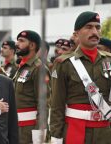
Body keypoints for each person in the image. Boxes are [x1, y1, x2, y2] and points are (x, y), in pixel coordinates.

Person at [50, 11, 111, 144]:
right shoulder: (63, 63)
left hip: (105, 133)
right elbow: (57, 105)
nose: (94, 31)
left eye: (97, 27)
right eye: (89, 27)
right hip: (76, 130)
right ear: (76, 33)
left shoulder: (109, 61)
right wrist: (56, 138)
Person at [14, 30, 50, 144]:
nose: (17, 44)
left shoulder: (38, 68)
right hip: (17, 127)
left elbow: (43, 104)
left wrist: (39, 134)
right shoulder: (22, 67)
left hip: (29, 130)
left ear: (32, 45)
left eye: (21, 41)